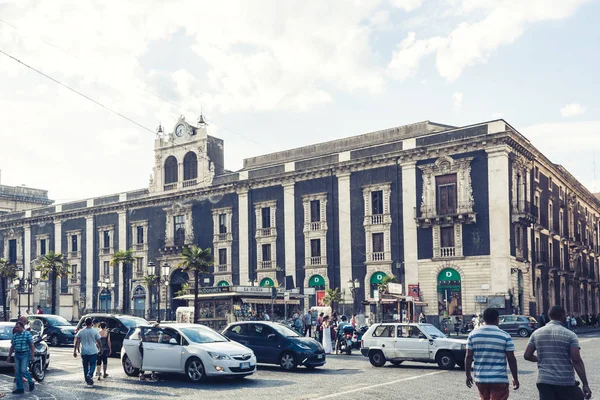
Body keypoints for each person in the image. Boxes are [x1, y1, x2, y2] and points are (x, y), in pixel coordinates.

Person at [524, 305, 592, 400]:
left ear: (549, 316)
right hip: (565, 382)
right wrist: (585, 384)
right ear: (563, 316)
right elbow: (576, 360)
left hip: (544, 381)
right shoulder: (570, 335)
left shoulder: (536, 333)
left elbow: (527, 355)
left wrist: (541, 358)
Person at [465, 308, 519, 400]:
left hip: (481, 379)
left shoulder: (473, 335)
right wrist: (515, 378)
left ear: (483, 319)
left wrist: (468, 375)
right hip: (499, 379)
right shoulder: (505, 336)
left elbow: (468, 356)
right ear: (497, 319)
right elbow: (511, 359)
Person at [8, 321, 35, 394]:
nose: (16, 329)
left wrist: (32, 355)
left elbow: (32, 345)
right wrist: (9, 356)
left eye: (18, 327)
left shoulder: (27, 334)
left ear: (22, 327)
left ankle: (31, 382)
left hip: (25, 354)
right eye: (15, 327)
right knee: (17, 372)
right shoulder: (15, 336)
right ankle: (20, 388)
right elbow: (12, 346)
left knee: (23, 370)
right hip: (17, 354)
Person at [74, 317, 102, 386]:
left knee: (85, 366)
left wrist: (75, 350)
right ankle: (90, 374)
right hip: (93, 351)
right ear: (92, 323)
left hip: (84, 351)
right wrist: (101, 349)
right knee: (93, 364)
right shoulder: (95, 331)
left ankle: (87, 380)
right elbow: (99, 341)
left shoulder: (81, 331)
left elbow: (77, 341)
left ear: (85, 323)